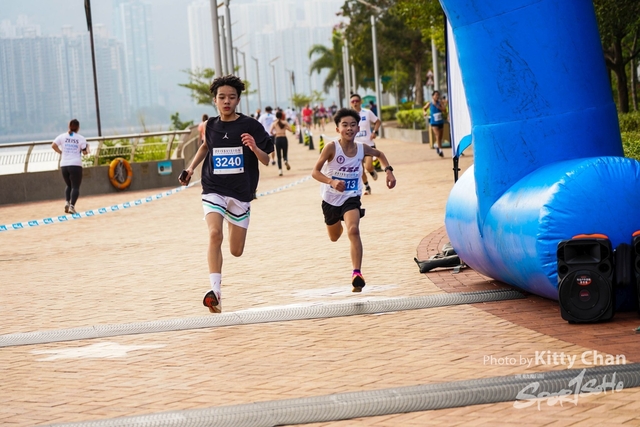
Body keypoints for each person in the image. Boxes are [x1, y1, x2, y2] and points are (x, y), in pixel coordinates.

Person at [179, 75, 274, 314]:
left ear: (238, 100)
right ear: (215, 100)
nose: (226, 101)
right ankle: (216, 292)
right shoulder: (211, 125)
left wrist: (254, 147)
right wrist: (190, 168)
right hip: (214, 189)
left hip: (241, 193)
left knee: (236, 250)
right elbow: (205, 146)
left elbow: (266, 159)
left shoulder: (251, 125)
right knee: (214, 234)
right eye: (222, 97)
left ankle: (234, 223)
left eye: (231, 97)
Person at [312, 108, 396, 292]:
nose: (349, 128)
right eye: (345, 125)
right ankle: (339, 224)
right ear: (337, 129)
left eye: (352, 125)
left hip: (351, 197)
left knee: (354, 230)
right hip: (331, 199)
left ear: (358, 128)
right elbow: (315, 172)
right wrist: (332, 181)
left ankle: (357, 273)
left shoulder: (361, 148)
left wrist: (388, 171)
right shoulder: (331, 147)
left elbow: (380, 154)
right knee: (334, 237)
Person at [51, 119, 89, 215]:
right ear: (78, 127)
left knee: (69, 185)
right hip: (75, 164)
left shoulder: (62, 136)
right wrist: (87, 148)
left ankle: (67, 202)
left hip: (64, 165)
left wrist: (61, 152)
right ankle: (72, 206)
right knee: (75, 187)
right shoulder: (81, 138)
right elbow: (85, 152)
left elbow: (53, 145)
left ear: (69, 126)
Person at [349, 93, 381, 195]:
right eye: (353, 101)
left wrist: (374, 132)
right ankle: (367, 187)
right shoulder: (349, 116)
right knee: (360, 170)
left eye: (357, 101)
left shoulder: (367, 112)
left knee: (368, 166)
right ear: (350, 103)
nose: (355, 103)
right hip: (355, 146)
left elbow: (377, 121)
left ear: (360, 102)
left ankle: (371, 171)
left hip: (368, 144)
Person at [269, 110, 294, 176]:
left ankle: (280, 170)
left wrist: (275, 133)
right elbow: (291, 130)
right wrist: (286, 128)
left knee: (279, 156)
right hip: (284, 138)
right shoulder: (285, 122)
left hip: (278, 139)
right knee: (285, 153)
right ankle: (285, 160)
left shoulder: (274, 123)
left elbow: (270, 131)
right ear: (282, 116)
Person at [423, 90, 447, 157]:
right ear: (432, 96)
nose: (437, 96)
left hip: (440, 121)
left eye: (438, 95)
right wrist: (424, 113)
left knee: (440, 137)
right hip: (434, 122)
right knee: (437, 135)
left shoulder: (440, 103)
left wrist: (439, 107)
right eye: (436, 95)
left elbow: (445, 110)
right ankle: (440, 149)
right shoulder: (430, 103)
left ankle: (437, 147)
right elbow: (424, 108)